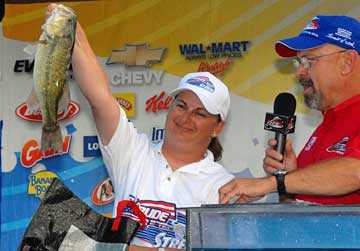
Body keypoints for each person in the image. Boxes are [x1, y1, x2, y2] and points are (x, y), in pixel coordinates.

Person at [46, 4, 234, 250]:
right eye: (181, 105)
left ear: (217, 127)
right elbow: (100, 99)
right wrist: (71, 27)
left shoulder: (225, 187)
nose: (186, 118)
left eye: (200, 113)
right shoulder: (134, 152)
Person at [219, 15, 360, 205]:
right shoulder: (328, 121)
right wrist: (290, 176)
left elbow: (355, 172)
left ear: (347, 62)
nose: (298, 73)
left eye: (308, 61)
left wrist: (273, 183)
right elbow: (300, 212)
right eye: (298, 62)